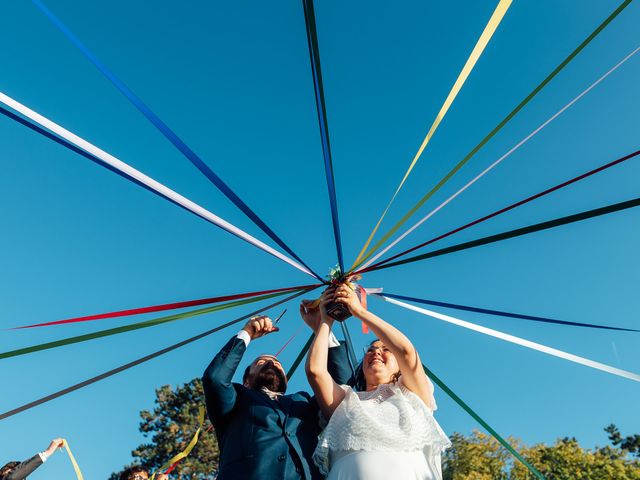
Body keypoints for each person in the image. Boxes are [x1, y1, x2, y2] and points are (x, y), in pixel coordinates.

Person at [306, 284, 451, 480]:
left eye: (385, 349)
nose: (375, 352)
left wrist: (358, 311)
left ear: (400, 367)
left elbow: (407, 353)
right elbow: (315, 371)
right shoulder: (346, 400)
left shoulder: (413, 393)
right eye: (370, 350)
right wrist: (325, 321)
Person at [202, 309, 352, 480]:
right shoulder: (236, 399)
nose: (271, 362)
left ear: (286, 382)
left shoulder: (302, 403)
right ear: (246, 381)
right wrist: (247, 333)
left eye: (277, 363)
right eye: (261, 362)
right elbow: (215, 378)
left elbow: (342, 388)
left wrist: (322, 328)